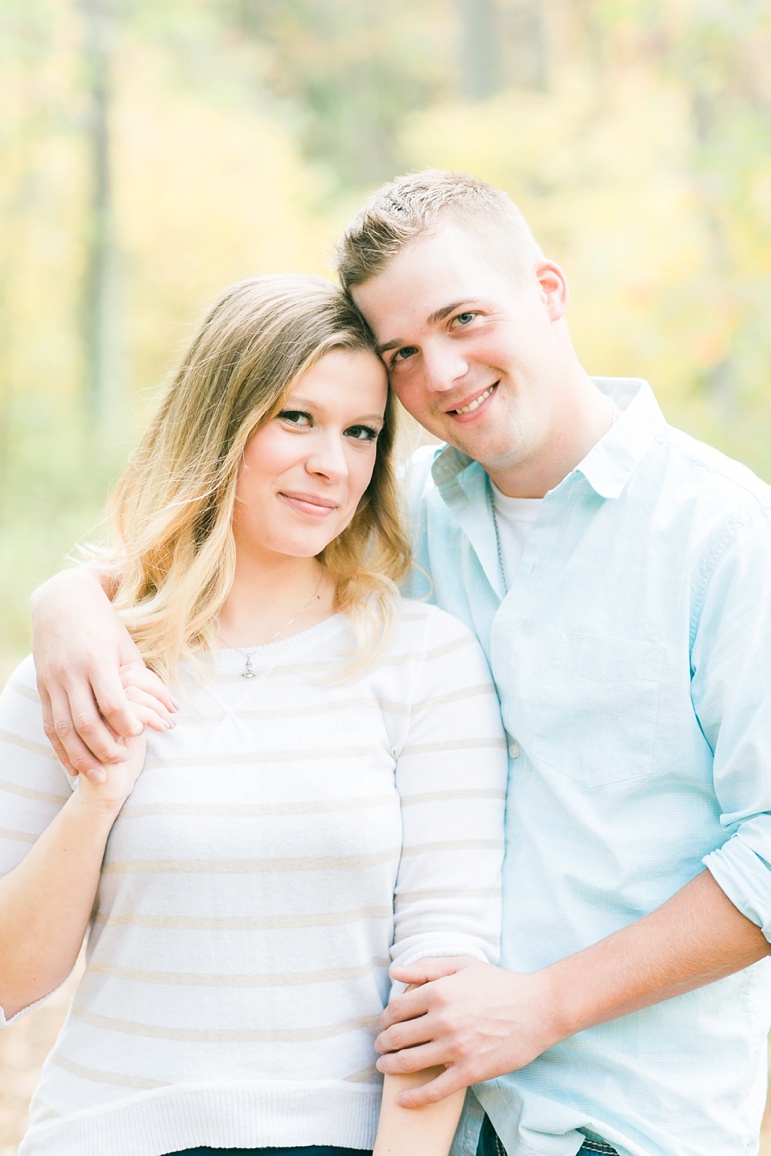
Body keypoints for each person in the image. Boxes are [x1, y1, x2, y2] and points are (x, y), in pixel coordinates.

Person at [25, 171, 771, 1155]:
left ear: (548, 290)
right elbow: (220, 549)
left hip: (627, 1115)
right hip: (445, 1117)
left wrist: (543, 1004)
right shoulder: (410, 512)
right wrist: (71, 600)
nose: (444, 374)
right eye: (405, 354)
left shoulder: (725, 532)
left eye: (466, 318)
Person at [0, 272, 508, 1156]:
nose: (331, 464)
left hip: (337, 1140)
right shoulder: (78, 665)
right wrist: (98, 794)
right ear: (220, 422)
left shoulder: (423, 661)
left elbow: (442, 969)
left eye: (360, 433)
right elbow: (10, 979)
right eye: (296, 418)